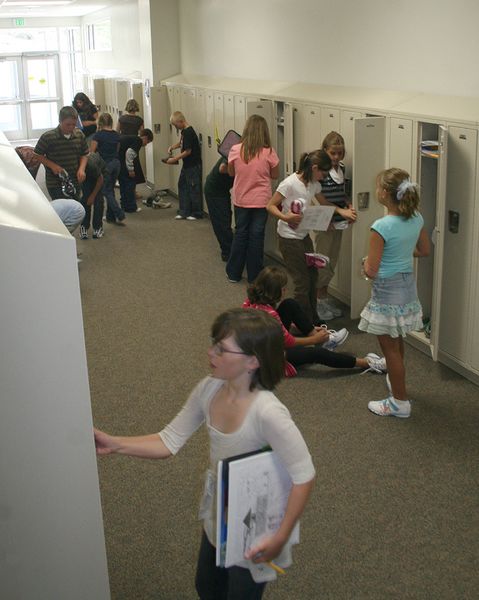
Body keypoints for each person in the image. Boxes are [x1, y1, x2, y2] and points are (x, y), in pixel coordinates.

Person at [94, 308, 315, 600]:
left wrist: (281, 535)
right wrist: (116, 443)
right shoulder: (209, 389)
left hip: (254, 524)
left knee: (240, 594)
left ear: (252, 361)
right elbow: (169, 440)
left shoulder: (268, 413)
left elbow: (304, 475)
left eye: (221, 349)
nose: (211, 352)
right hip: (219, 511)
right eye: (214, 344)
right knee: (208, 588)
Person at [359, 168, 430, 418]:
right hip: (406, 286)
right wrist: (399, 252)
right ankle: (395, 381)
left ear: (386, 193)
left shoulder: (381, 226)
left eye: (378, 187)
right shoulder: (416, 218)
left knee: (389, 346)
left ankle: (399, 402)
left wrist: (365, 265)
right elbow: (423, 250)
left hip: (387, 289)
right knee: (396, 338)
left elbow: (372, 269)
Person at [243, 267, 387, 378]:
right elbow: (287, 341)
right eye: (283, 288)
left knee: (289, 304)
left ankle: (324, 340)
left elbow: (275, 330)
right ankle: (367, 363)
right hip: (271, 357)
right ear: (274, 292)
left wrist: (306, 330)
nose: (286, 290)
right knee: (317, 354)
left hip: (261, 346)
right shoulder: (271, 315)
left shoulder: (251, 302)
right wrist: (312, 339)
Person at [267, 149, 332, 325]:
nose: (324, 177)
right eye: (323, 173)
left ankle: (313, 319)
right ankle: (305, 324)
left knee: (312, 276)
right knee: (301, 282)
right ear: (314, 168)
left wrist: (343, 211)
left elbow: (324, 203)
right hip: (288, 238)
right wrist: (285, 217)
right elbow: (271, 205)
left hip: (303, 236)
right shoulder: (288, 183)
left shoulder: (312, 184)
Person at [226, 115, 279, 284]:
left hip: (241, 199)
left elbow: (231, 173)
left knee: (241, 233)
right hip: (261, 201)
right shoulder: (269, 152)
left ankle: (233, 272)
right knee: (256, 236)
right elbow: (275, 175)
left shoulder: (235, 150)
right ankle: (255, 275)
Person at [314, 132, 357, 321]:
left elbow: (342, 193)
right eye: (333, 153)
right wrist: (341, 212)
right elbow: (320, 198)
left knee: (332, 262)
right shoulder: (320, 172)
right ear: (325, 151)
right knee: (321, 262)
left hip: (338, 222)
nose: (336, 157)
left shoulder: (341, 168)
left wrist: (348, 205)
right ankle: (316, 301)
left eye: (340, 153)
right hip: (325, 222)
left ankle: (323, 297)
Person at [34, 106, 89, 202]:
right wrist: (52, 165)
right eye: (68, 125)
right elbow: (36, 154)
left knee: (76, 207)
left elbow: (84, 154)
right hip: (55, 182)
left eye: (74, 124)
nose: (71, 127)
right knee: (64, 210)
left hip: (74, 180)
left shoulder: (79, 135)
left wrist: (82, 169)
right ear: (60, 121)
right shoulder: (48, 137)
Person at [90, 112, 126, 226]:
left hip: (105, 165)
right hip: (116, 164)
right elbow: (117, 150)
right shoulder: (116, 135)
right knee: (110, 189)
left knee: (105, 190)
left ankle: (119, 213)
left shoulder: (98, 135)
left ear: (100, 122)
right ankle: (111, 217)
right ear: (111, 122)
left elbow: (92, 152)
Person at [167, 111, 203, 220]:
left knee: (193, 188)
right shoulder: (184, 132)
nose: (175, 127)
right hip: (187, 165)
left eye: (175, 125)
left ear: (181, 121)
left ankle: (197, 213)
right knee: (182, 185)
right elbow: (181, 143)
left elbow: (188, 151)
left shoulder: (189, 132)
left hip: (193, 165)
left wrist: (174, 159)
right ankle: (184, 211)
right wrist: (173, 147)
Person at [204, 157, 234, 261]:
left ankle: (230, 250)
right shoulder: (234, 149)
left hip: (223, 190)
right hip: (214, 190)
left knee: (226, 218)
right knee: (222, 223)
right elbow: (222, 168)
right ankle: (227, 252)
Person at [118, 129, 154, 213]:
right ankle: (131, 207)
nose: (146, 145)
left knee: (123, 185)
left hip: (119, 162)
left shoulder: (131, 139)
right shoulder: (138, 141)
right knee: (130, 185)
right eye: (147, 142)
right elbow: (129, 153)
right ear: (145, 138)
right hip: (124, 165)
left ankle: (124, 205)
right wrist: (131, 169)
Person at [79, 152, 107, 239]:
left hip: (100, 175)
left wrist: (93, 196)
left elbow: (100, 179)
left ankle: (98, 227)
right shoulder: (74, 164)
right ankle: (84, 226)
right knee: (85, 200)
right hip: (85, 175)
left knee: (98, 200)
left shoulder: (91, 165)